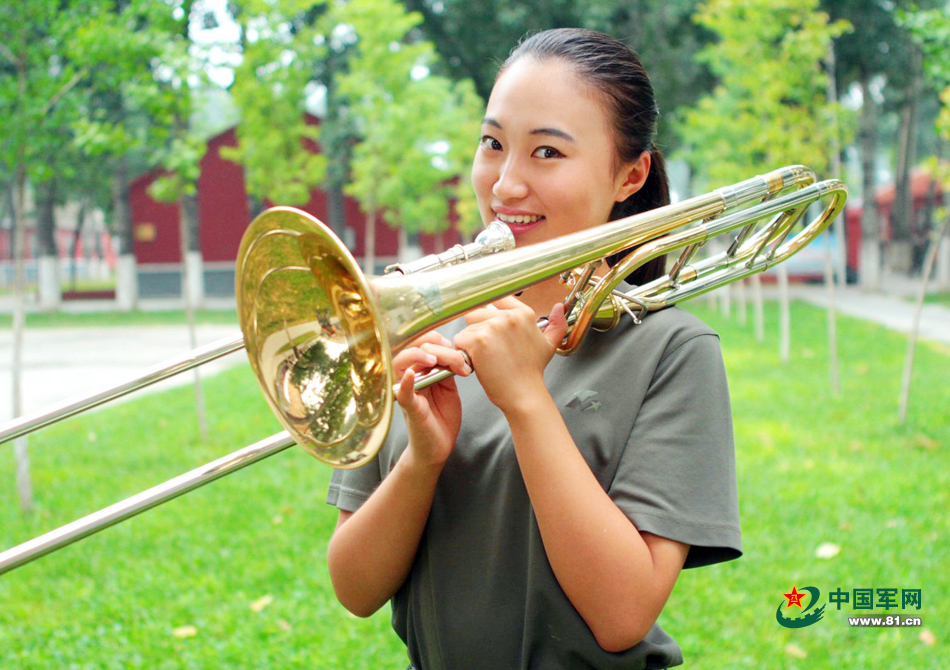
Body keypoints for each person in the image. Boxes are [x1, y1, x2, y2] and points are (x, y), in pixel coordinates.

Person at [326, 28, 741, 670]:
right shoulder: (419, 327)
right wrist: (421, 463)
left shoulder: (673, 350)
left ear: (631, 175)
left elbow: (622, 615)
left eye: (546, 152)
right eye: (493, 144)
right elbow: (354, 591)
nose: (506, 184)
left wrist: (525, 400)